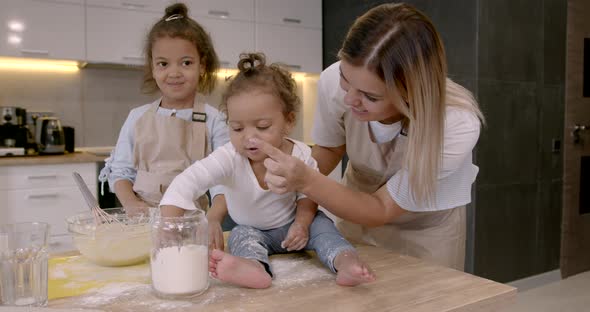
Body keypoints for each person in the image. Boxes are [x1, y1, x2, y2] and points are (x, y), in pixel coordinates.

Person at [253, 3, 485, 271]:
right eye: (345, 78)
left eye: (370, 96)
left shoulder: (455, 124)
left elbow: (381, 208)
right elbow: (329, 149)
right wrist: (290, 185)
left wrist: (306, 180)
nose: (350, 99)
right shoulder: (333, 83)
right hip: (356, 215)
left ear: (409, 93)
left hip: (427, 231)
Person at [160, 53, 375, 289]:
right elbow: (191, 179)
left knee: (323, 227)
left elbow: (309, 196)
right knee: (240, 237)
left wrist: (302, 224)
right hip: (253, 230)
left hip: (295, 225)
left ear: (289, 121)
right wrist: (169, 220)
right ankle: (253, 268)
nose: (249, 137)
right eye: (237, 127)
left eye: (262, 127)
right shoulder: (229, 156)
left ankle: (345, 261)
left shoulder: (301, 154)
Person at [98, 3, 229, 216]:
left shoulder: (214, 120)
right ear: (152, 66)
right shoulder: (137, 118)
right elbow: (121, 173)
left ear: (202, 65)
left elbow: (222, 182)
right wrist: (131, 203)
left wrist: (214, 219)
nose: (174, 72)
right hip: (142, 223)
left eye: (186, 63)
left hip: (192, 224)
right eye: (163, 64)